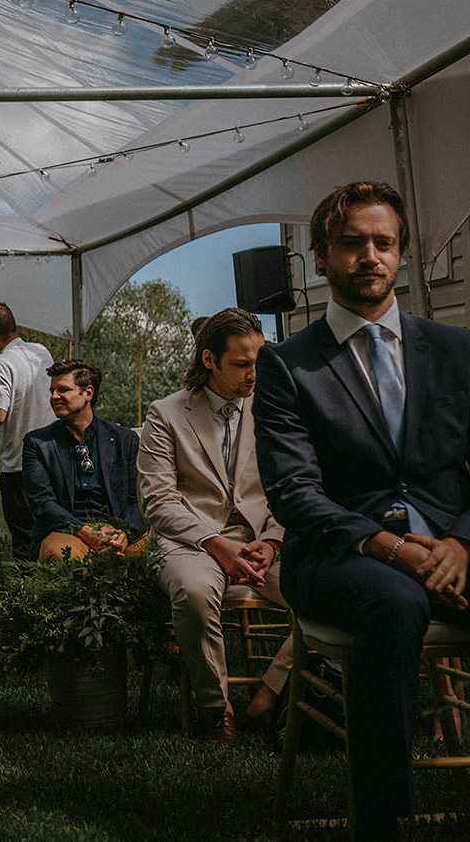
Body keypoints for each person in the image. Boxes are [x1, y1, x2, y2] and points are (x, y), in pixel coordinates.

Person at [254, 181, 470, 839]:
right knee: (394, 601)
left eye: (383, 242)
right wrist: (391, 548)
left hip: (454, 555)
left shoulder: (457, 352)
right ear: (321, 256)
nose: (368, 255)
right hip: (335, 558)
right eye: (351, 243)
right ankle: (384, 822)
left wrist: (463, 546)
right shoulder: (288, 365)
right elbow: (294, 490)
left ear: (402, 253)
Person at [138, 307, 294, 744]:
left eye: (259, 362)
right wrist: (213, 542)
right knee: (194, 592)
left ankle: (270, 692)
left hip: (259, 542)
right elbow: (157, 500)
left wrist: (273, 542)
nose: (253, 374)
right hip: (188, 541)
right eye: (242, 364)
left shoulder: (274, 411)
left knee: (329, 591)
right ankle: (215, 707)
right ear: (209, 360)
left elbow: (291, 490)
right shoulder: (166, 413)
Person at [21, 359, 144, 562]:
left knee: (161, 554)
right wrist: (83, 531)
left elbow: (137, 499)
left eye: (63, 390)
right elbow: (42, 503)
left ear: (88, 393)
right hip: (65, 531)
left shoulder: (125, 439)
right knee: (64, 556)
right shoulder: (37, 443)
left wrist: (125, 534)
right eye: (52, 390)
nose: (54, 397)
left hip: (117, 531)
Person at [0, 301, 54, 558]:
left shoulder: (0, 366)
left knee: (25, 542)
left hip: (20, 467)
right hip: (52, 460)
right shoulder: (41, 352)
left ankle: (26, 592)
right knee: (52, 536)